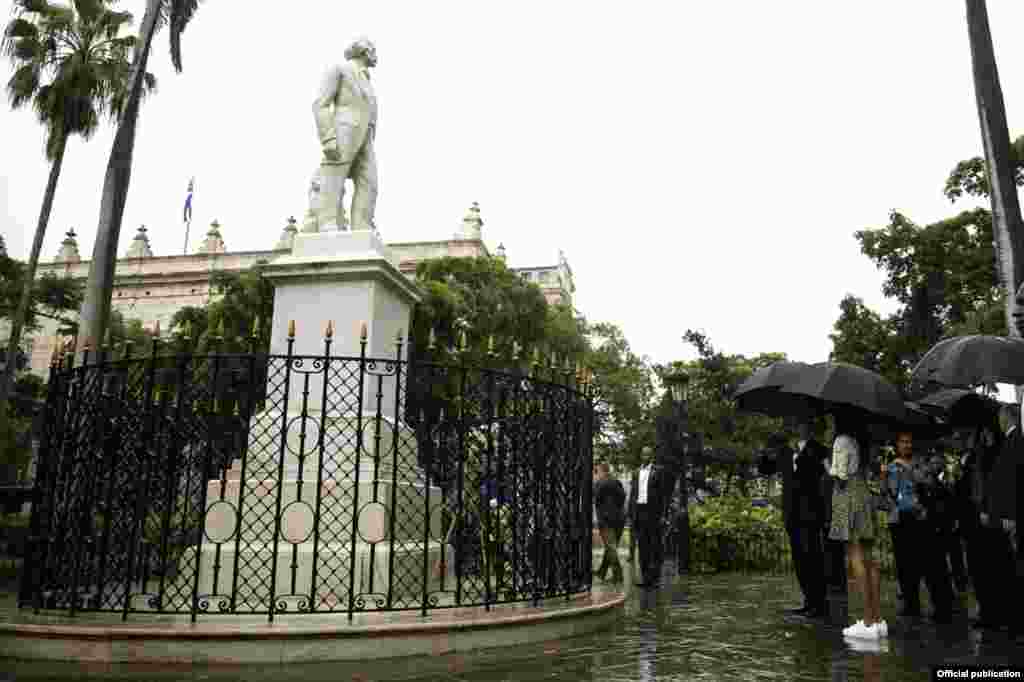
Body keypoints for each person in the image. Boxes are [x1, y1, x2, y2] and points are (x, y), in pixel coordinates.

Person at [757, 422, 829, 617]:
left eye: (804, 424)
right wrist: (764, 451)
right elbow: (765, 468)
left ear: (811, 428)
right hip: (791, 512)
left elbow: (824, 476)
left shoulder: (819, 450)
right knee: (799, 559)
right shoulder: (786, 451)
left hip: (810, 513)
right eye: (797, 424)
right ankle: (808, 600)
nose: (800, 428)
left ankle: (820, 604)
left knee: (813, 557)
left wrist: (803, 461)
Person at [882, 431, 953, 623]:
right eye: (902, 442)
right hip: (900, 521)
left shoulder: (921, 464)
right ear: (897, 445)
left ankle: (941, 607)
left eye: (909, 442)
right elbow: (886, 494)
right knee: (905, 565)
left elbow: (932, 485)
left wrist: (919, 477)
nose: (906, 445)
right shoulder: (890, 467)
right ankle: (911, 604)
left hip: (921, 521)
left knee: (930, 564)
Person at [310, 37, 379, 232]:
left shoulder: (367, 79)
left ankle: (362, 225)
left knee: (370, 182)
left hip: (366, 138)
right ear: (364, 51)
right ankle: (327, 223)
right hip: (343, 132)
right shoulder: (339, 69)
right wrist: (328, 138)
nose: (376, 55)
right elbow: (320, 105)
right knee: (333, 176)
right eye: (373, 50)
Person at [829, 411, 885, 639]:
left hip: (848, 496)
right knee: (870, 559)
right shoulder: (862, 441)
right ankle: (877, 618)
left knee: (855, 557)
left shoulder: (842, 440)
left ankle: (868, 621)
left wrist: (828, 467)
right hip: (863, 495)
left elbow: (840, 475)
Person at [629, 449, 676, 588]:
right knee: (642, 546)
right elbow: (633, 494)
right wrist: (631, 514)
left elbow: (664, 495)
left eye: (648, 454)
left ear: (651, 456)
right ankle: (645, 577)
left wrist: (663, 515)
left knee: (655, 546)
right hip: (640, 511)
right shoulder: (636, 472)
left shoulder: (658, 471)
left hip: (654, 513)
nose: (645, 456)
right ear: (641, 456)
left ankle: (655, 578)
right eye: (643, 454)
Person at [593, 463, 627, 584]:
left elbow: (596, 500)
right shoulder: (616, 482)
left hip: (606, 521)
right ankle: (602, 571)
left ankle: (618, 575)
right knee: (611, 547)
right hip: (619, 519)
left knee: (610, 547)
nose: (596, 475)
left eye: (597, 472)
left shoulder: (599, 484)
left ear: (602, 472)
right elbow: (623, 497)